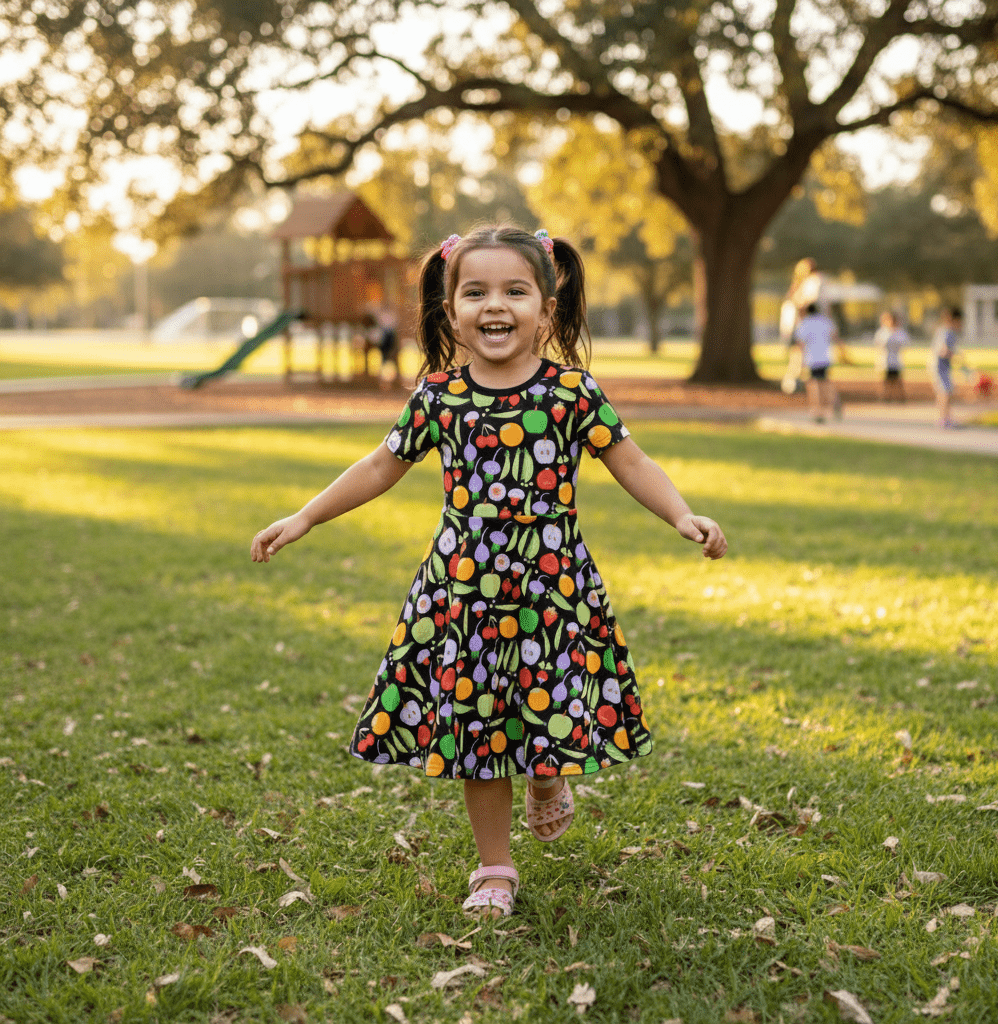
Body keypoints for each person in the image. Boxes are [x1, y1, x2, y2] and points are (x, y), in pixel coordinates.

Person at [250, 225, 727, 919]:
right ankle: (495, 868)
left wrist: (683, 516)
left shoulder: (570, 392)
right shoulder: (439, 397)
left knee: (545, 712)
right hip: (464, 596)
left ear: (546, 310)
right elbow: (381, 465)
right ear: (450, 311)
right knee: (478, 732)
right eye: (475, 291)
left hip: (551, 589)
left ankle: (545, 780)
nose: (493, 305)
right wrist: (305, 517)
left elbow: (631, 461)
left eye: (513, 290)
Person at [793, 302, 846, 423]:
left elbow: (800, 344)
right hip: (825, 357)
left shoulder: (805, 324)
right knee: (826, 382)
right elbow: (835, 337)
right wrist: (843, 352)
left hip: (812, 358)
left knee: (815, 384)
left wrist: (800, 363)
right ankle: (835, 403)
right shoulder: (825, 321)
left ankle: (818, 411)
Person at [779, 257, 824, 393]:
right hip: (797, 322)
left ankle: (795, 380)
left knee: (801, 352)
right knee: (797, 352)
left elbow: (809, 302)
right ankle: (793, 379)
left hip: (805, 322)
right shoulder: (801, 283)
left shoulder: (815, 281)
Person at [929, 306, 962, 428]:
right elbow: (942, 350)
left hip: (944, 367)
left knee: (946, 392)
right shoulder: (945, 332)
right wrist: (954, 355)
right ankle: (943, 419)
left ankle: (947, 418)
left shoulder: (949, 332)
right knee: (945, 392)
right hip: (939, 367)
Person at [873, 310, 908, 403]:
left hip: (896, 360)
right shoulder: (882, 332)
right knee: (886, 381)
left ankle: (901, 398)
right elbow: (879, 344)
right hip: (885, 360)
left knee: (897, 380)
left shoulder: (899, 332)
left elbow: (904, 344)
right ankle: (885, 398)